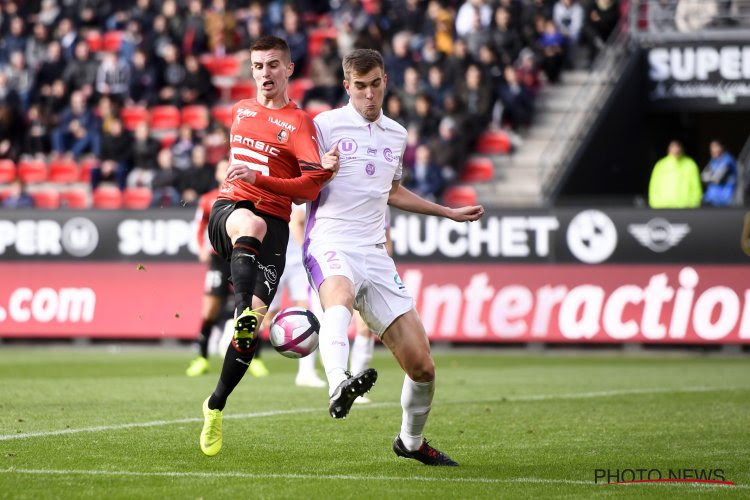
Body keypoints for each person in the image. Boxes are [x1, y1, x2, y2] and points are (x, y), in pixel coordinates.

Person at [305, 49, 484, 466]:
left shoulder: (396, 134)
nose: (369, 95)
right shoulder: (324, 126)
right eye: (360, 87)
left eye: (376, 85)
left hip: (375, 252)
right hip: (330, 241)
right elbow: (300, 181)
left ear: (386, 81)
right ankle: (337, 382)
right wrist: (318, 171)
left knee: (422, 367)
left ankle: (411, 442)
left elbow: (392, 191)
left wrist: (447, 212)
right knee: (339, 300)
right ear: (347, 86)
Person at [199, 35, 338, 457]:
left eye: (273, 65)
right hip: (232, 210)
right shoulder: (240, 111)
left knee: (249, 333)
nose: (264, 74)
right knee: (250, 222)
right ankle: (242, 310)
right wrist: (252, 184)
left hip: (276, 225)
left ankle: (215, 405)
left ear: (289, 69)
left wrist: (297, 175)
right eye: (258, 66)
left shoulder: (299, 124)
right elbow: (246, 176)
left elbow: (310, 185)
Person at [260, 203, 326, 388]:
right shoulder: (302, 191)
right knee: (266, 317)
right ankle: (230, 329)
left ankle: (306, 372)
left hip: (296, 265)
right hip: (278, 259)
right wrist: (305, 249)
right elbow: (297, 220)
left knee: (307, 315)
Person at [648, 140, 703, 208]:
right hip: (663, 206)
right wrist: (654, 202)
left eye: (677, 147)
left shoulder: (690, 164)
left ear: (681, 149)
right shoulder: (661, 164)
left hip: (685, 207)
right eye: (673, 147)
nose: (676, 150)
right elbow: (654, 185)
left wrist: (694, 202)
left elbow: (696, 185)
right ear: (669, 149)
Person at [701, 139, 738, 207]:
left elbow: (718, 178)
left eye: (716, 147)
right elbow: (703, 177)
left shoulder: (728, 160)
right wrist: (711, 177)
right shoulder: (712, 161)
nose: (713, 150)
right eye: (712, 147)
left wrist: (710, 177)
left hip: (725, 200)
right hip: (711, 200)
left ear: (722, 147)